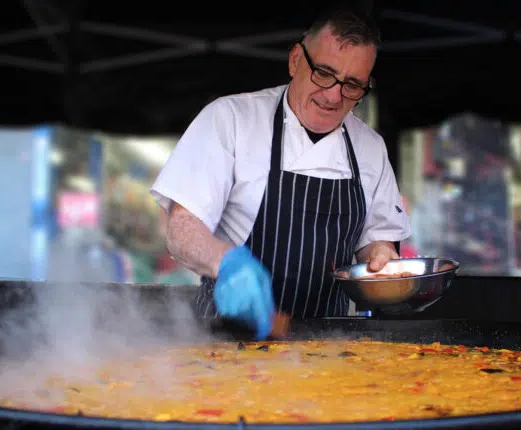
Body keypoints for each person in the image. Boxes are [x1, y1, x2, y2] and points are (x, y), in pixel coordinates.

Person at [150, 4, 411, 339]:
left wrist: (380, 256)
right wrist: (226, 262)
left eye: (352, 85)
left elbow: (377, 239)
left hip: (330, 354)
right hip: (222, 346)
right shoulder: (231, 120)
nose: (333, 95)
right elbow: (181, 228)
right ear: (295, 60)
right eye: (324, 73)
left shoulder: (370, 148)